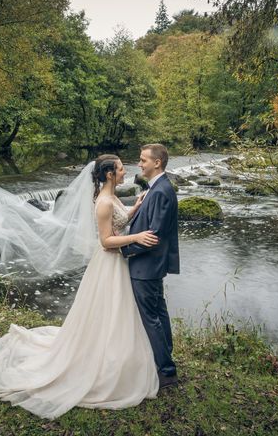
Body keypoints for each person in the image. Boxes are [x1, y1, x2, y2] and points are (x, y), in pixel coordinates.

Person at [0, 155, 161, 419]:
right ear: (109, 174)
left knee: (113, 312)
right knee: (106, 310)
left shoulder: (112, 197)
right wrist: (138, 237)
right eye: (120, 169)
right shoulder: (104, 202)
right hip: (108, 263)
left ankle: (112, 353)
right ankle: (100, 358)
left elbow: (118, 220)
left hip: (116, 264)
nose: (125, 172)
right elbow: (107, 240)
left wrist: (134, 208)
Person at [121, 144, 180, 389]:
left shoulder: (160, 191)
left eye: (143, 159)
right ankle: (166, 362)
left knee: (151, 318)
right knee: (159, 314)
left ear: (157, 163)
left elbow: (153, 235)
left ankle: (166, 371)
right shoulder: (156, 189)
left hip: (146, 266)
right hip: (151, 265)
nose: (140, 163)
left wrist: (123, 250)